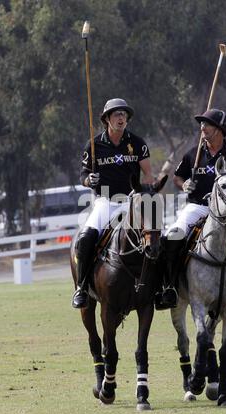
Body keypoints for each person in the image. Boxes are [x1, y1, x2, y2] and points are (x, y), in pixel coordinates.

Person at [156, 108, 226, 310]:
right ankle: (169, 287)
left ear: (220, 129)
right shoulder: (193, 153)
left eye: (207, 124)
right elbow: (178, 177)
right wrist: (185, 184)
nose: (202, 127)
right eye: (201, 124)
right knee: (171, 238)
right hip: (196, 207)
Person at [72, 98, 154, 308]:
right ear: (107, 119)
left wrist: (148, 192)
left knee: (154, 235)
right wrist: (89, 180)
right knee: (86, 237)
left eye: (124, 115)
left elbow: (148, 174)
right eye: (117, 114)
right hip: (106, 201)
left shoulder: (137, 143)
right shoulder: (94, 145)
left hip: (131, 201)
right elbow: (83, 175)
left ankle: (160, 287)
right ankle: (81, 288)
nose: (121, 118)